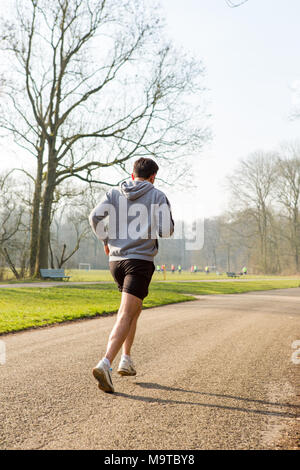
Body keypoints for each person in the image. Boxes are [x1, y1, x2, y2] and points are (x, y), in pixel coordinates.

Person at [89, 157, 174, 393]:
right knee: (127, 313)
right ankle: (105, 363)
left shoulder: (114, 193)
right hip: (139, 262)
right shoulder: (157, 196)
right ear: (153, 176)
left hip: (115, 262)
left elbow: (93, 218)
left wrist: (106, 239)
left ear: (132, 172)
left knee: (134, 309)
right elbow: (166, 231)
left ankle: (126, 359)